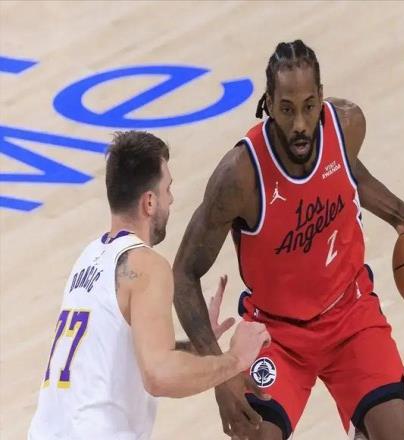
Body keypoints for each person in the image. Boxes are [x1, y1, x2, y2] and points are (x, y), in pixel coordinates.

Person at [173, 40, 404, 440]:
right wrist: (221, 374)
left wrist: (400, 214)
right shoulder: (240, 177)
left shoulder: (346, 126)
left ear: (320, 97)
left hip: (350, 314)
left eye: (309, 106)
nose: (300, 123)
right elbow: (183, 273)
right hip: (277, 334)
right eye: (287, 109)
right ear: (268, 104)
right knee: (254, 434)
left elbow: (350, 172)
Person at [28, 131, 270, 440]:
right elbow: (158, 376)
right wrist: (235, 359)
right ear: (150, 202)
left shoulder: (87, 258)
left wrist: (192, 347)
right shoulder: (146, 265)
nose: (171, 199)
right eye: (168, 189)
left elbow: (110, 354)